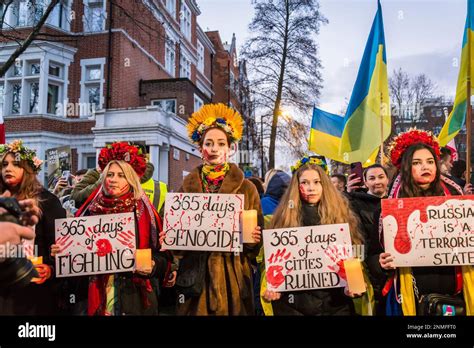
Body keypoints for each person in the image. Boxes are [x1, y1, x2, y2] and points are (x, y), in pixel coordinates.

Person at [161, 103, 263, 316]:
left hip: (233, 279)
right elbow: (177, 244)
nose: (214, 149)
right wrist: (169, 237)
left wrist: (253, 239)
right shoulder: (185, 188)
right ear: (200, 149)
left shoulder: (247, 189)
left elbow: (255, 248)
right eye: (209, 143)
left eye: (220, 143)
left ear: (229, 148)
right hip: (194, 279)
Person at [51, 142, 172, 316]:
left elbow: (163, 257)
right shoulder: (88, 212)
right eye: (110, 174)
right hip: (90, 298)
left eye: (121, 175)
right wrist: (60, 253)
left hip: (134, 298)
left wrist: (153, 265)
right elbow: (73, 262)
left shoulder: (147, 215)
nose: (113, 179)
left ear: (131, 180)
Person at [378, 129, 474, 315]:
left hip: (458, 295)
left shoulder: (457, 198)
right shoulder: (389, 208)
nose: (426, 167)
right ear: (406, 167)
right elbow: (375, 255)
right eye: (417, 163)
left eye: (430, 162)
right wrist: (380, 262)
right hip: (413, 297)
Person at [262, 155, 366, 316]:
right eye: (304, 182)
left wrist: (353, 282)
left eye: (317, 182)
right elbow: (270, 265)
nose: (311, 188)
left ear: (324, 185)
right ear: (296, 186)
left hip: (335, 304)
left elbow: (355, 258)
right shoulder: (282, 219)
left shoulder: (342, 217)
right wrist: (272, 288)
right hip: (292, 307)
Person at [0, 140, 66, 315]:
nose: (8, 169)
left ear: (28, 169)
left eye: (16, 164)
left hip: (33, 291)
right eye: (4, 164)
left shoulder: (47, 201)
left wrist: (51, 269)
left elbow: (61, 245)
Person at [346, 164, 390, 315]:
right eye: (371, 178)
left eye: (380, 177)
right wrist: (347, 194)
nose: (377, 181)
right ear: (365, 183)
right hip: (372, 267)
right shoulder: (356, 202)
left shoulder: (397, 200)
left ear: (388, 179)